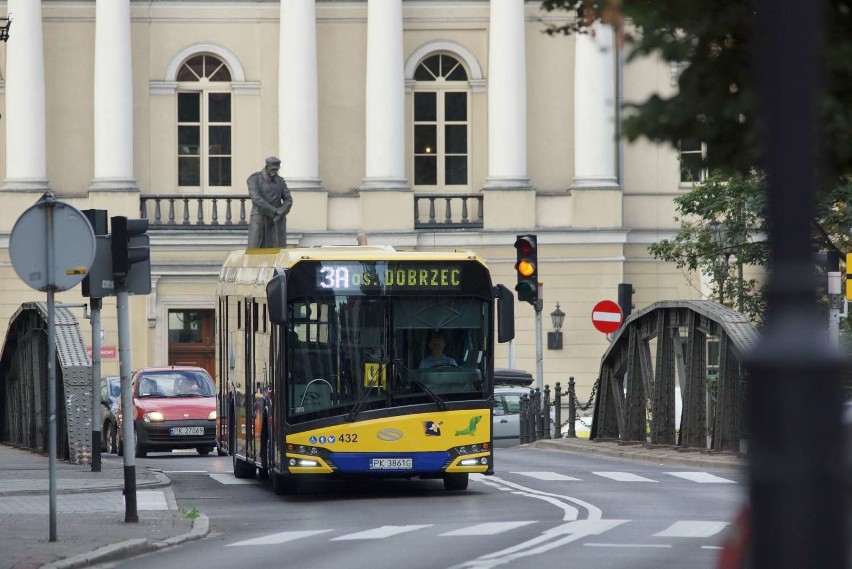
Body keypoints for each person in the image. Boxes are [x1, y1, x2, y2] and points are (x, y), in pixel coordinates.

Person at [247, 156, 293, 249]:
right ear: (267, 166)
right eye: (273, 169)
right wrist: (274, 211)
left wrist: (281, 211)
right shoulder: (254, 179)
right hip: (259, 217)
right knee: (255, 248)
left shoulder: (280, 181)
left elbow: (288, 199)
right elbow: (256, 198)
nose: (275, 172)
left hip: (277, 220)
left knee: (277, 249)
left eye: (277, 169)